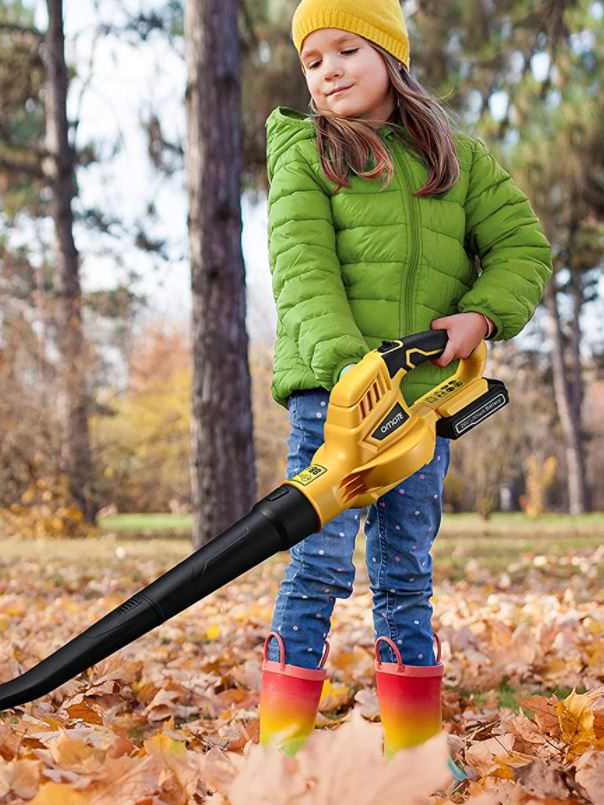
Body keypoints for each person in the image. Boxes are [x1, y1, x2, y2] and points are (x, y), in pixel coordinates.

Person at [258, 0, 552, 762]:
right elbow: (303, 271)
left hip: (421, 402)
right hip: (337, 396)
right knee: (319, 562)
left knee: (404, 568)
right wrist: (352, 367)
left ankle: (414, 748)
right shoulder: (305, 152)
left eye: (345, 50)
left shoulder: (459, 156)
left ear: (390, 53)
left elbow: (523, 245)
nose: (327, 71)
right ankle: (282, 747)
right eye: (312, 60)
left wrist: (483, 316)